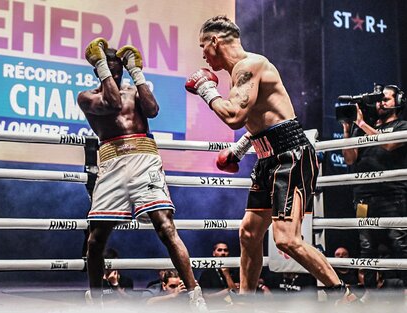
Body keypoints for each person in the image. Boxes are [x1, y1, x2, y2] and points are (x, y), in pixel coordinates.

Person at [185, 15, 353, 300]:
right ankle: (246, 302)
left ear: (216, 41)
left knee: (286, 239)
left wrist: (206, 89)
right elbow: (262, 121)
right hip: (268, 158)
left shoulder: (251, 65)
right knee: (249, 234)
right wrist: (239, 150)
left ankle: (343, 294)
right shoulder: (241, 73)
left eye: (204, 45)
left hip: (290, 156)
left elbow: (235, 116)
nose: (202, 54)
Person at [77, 37, 206, 311]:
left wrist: (137, 73)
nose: (114, 74)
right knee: (96, 238)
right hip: (112, 163)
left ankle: (195, 295)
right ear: (97, 69)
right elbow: (111, 103)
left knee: (166, 226)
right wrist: (102, 64)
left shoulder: (134, 92)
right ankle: (96, 300)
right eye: (108, 69)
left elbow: (153, 110)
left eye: (118, 70)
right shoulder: (86, 97)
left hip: (144, 158)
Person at [341, 84, 407, 301]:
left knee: (399, 241)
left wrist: (361, 123)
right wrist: (348, 128)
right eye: (379, 99)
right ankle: (368, 291)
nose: (381, 103)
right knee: (366, 245)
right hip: (362, 196)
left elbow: (388, 145)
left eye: (386, 99)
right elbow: (349, 159)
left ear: (398, 101)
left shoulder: (402, 125)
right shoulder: (363, 127)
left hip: (391, 195)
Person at [198, 241, 239, 307]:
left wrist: (227, 274)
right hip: (215, 308)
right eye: (219, 250)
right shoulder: (207, 273)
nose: (223, 253)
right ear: (214, 253)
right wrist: (228, 290)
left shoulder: (235, 271)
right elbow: (205, 297)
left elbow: (238, 293)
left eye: (225, 250)